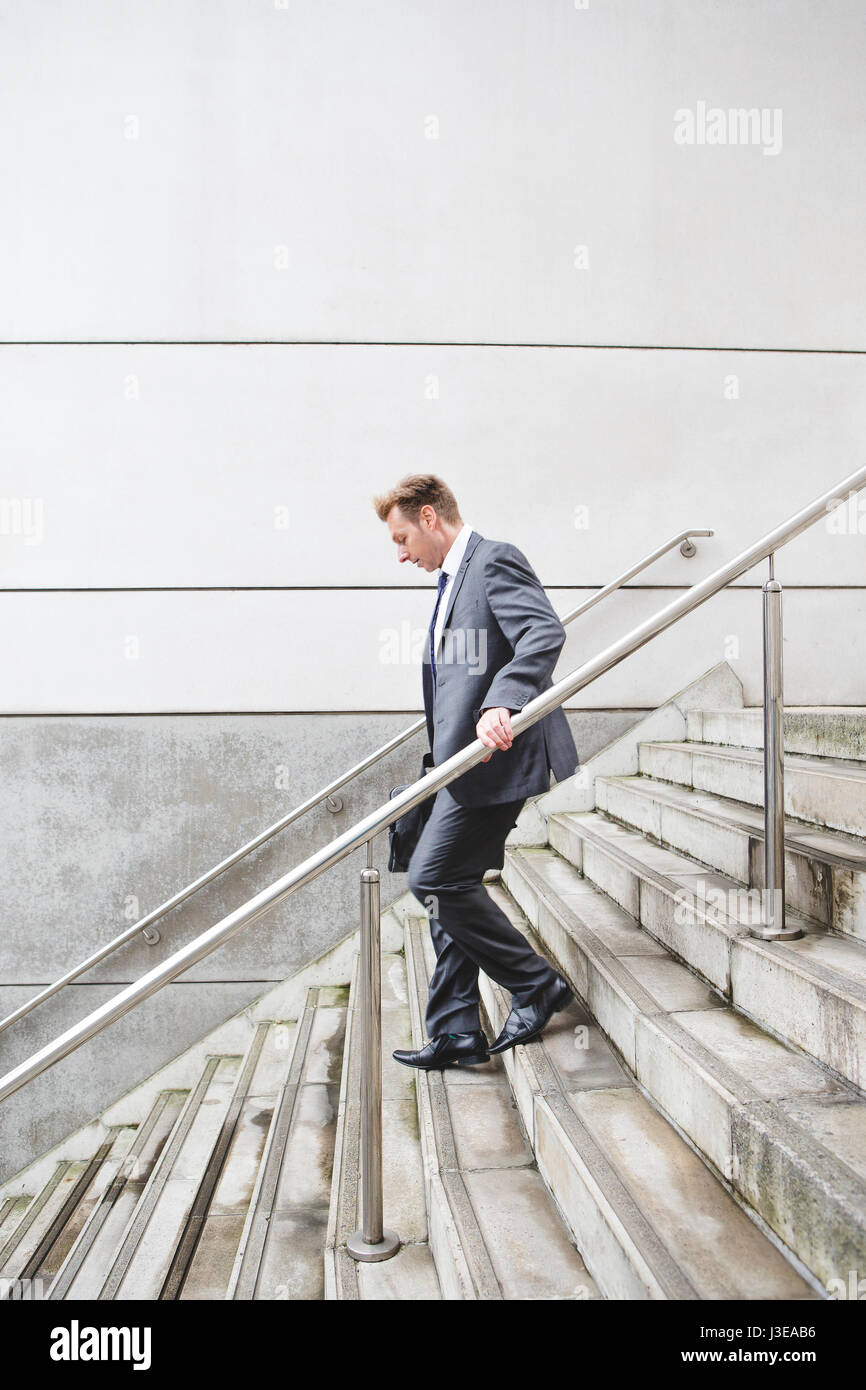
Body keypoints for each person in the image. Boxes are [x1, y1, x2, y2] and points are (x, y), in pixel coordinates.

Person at [372, 474, 579, 1069]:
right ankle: (456, 1029)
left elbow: (542, 632)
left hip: (497, 760)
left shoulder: (492, 562)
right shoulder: (450, 582)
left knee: (433, 880)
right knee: (448, 881)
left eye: (403, 536)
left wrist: (502, 701)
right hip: (458, 765)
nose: (401, 553)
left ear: (430, 517)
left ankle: (535, 984)